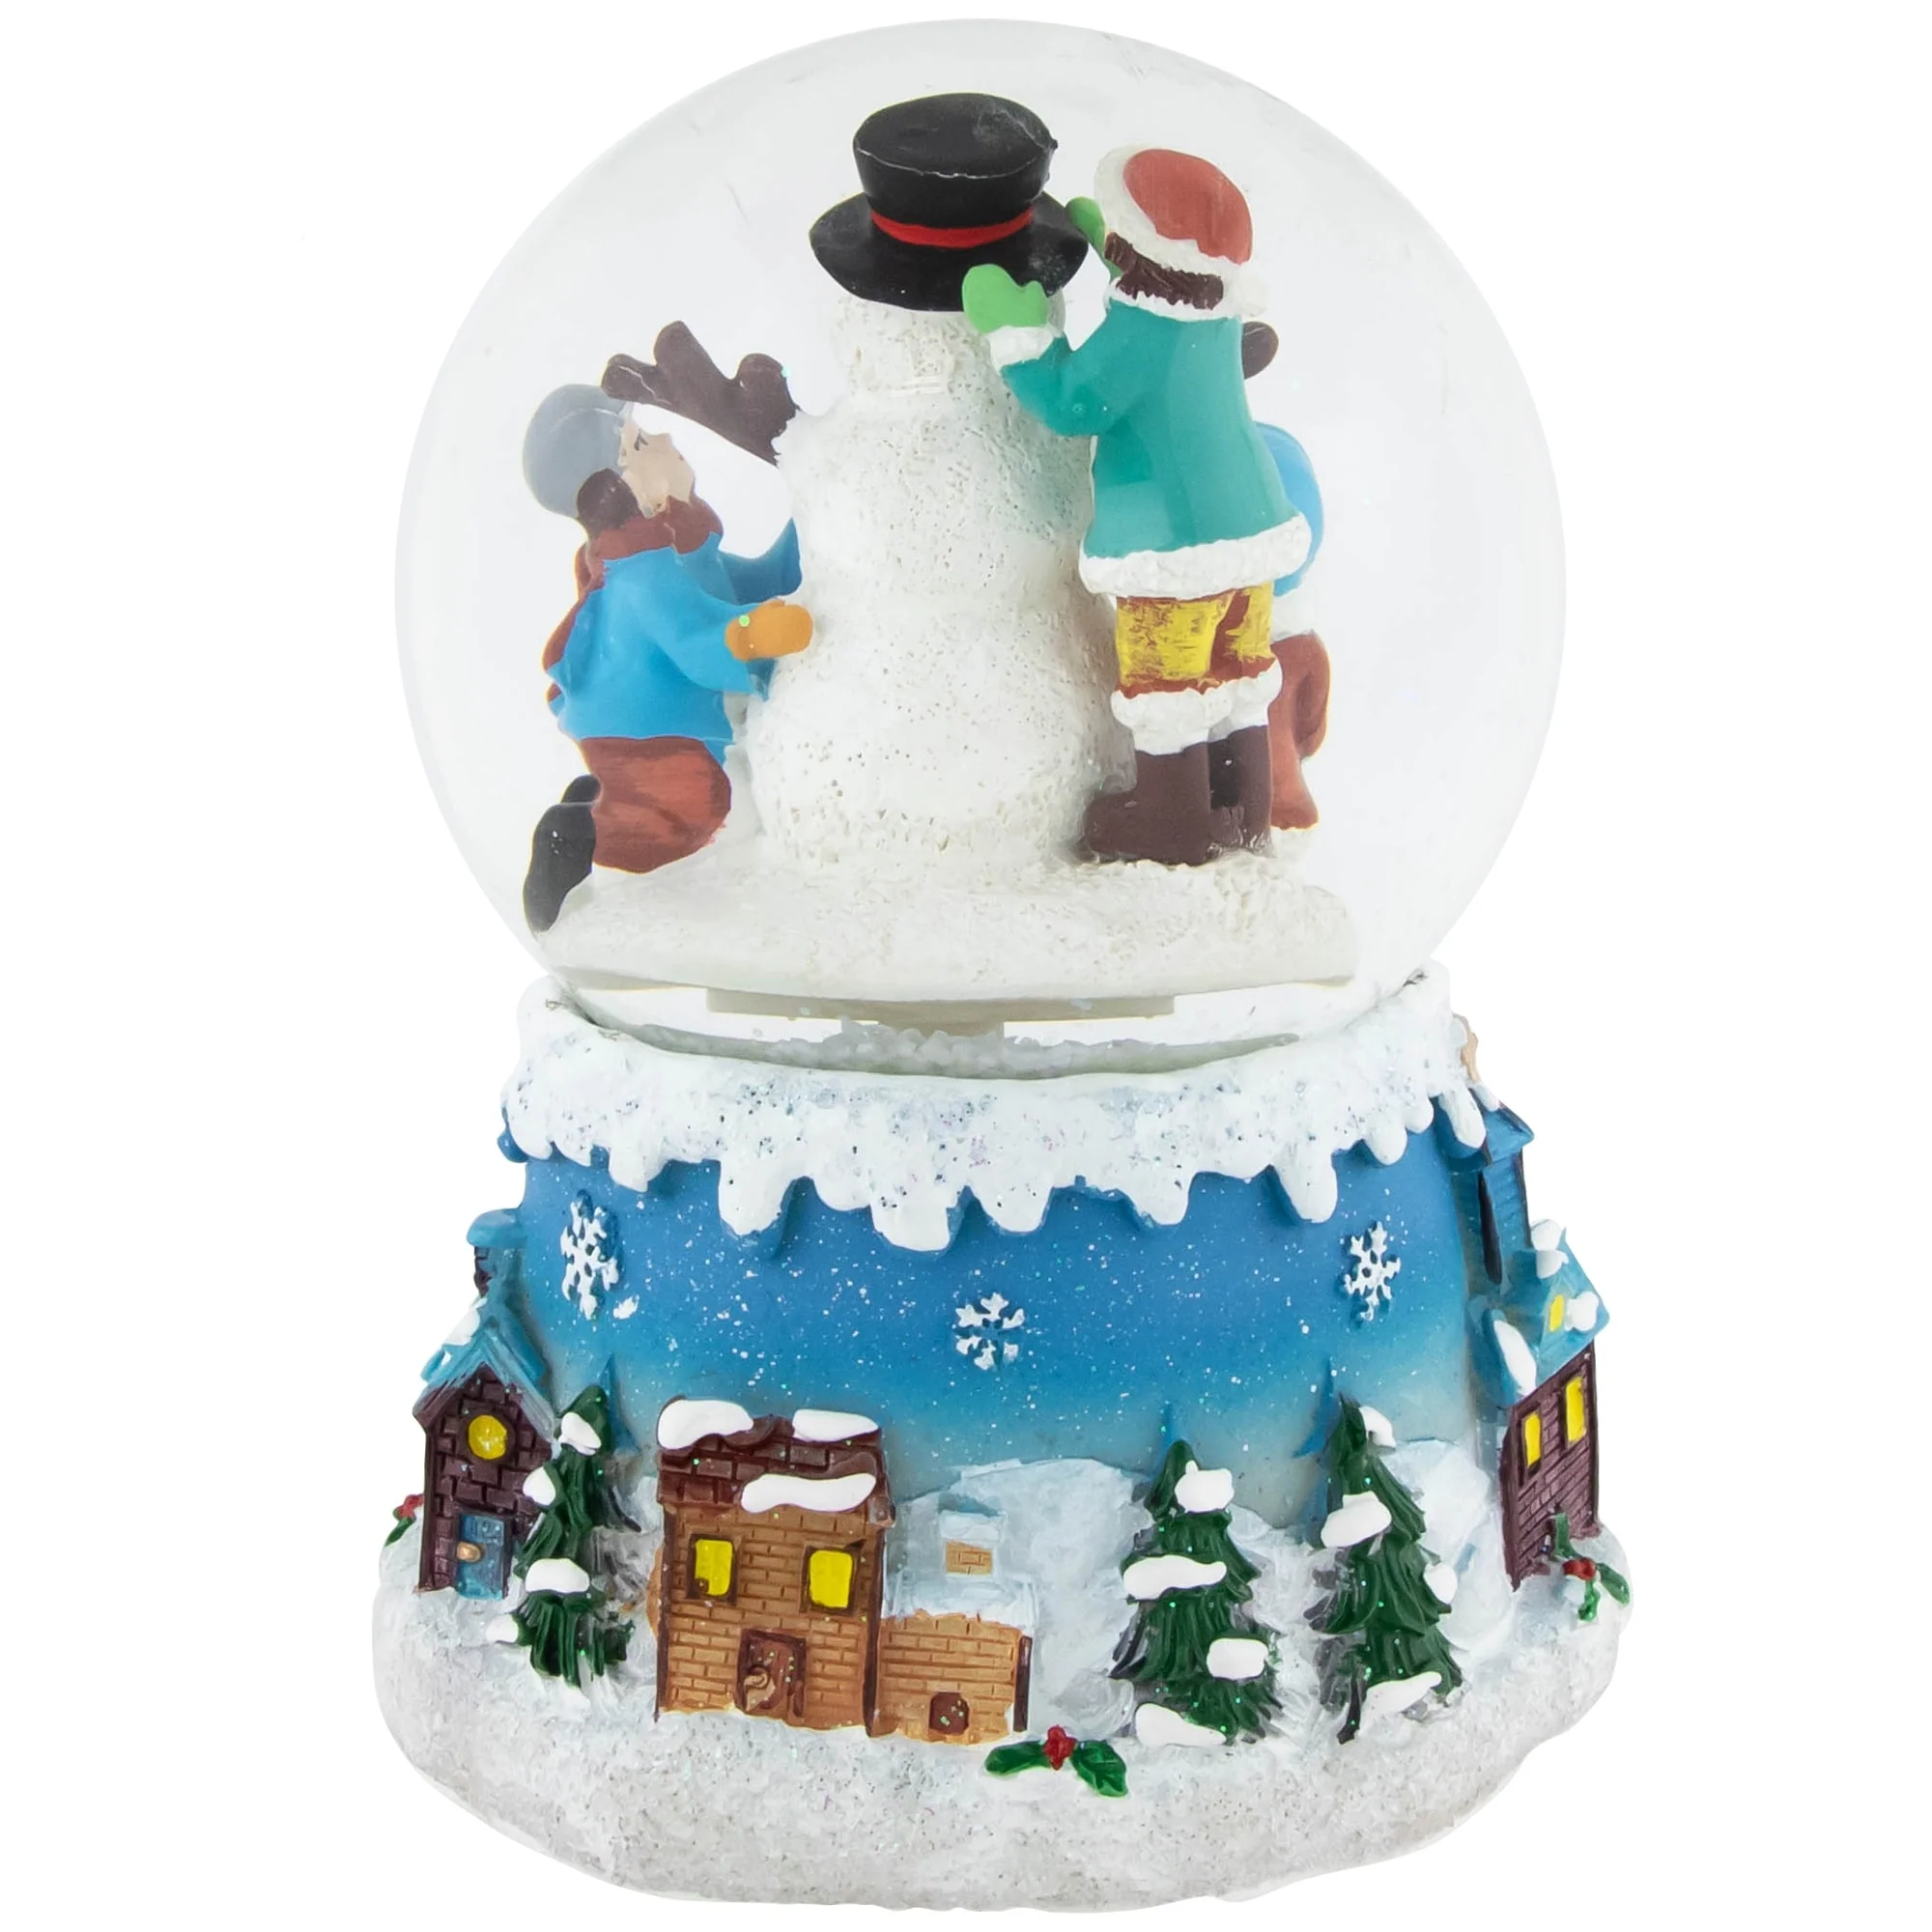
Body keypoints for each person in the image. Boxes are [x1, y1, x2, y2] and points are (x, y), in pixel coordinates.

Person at [964, 148, 1317, 865]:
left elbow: (1073, 402)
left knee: (1168, 680)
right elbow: (1175, 276)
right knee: (1240, 671)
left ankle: (1171, 822)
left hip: (1173, 542)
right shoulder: (1216, 310)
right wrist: (1112, 246)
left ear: (1138, 251)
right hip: (1250, 525)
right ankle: (1244, 809)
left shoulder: (1141, 331)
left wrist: (1020, 335)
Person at [519, 387, 810, 930]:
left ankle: (598, 798)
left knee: (695, 805)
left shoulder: (675, 552)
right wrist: (754, 634)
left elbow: (753, 585)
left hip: (651, 728)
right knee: (706, 820)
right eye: (640, 443)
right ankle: (578, 834)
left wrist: (813, 519)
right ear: (617, 487)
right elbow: (697, 643)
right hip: (657, 735)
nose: (667, 439)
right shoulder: (643, 575)